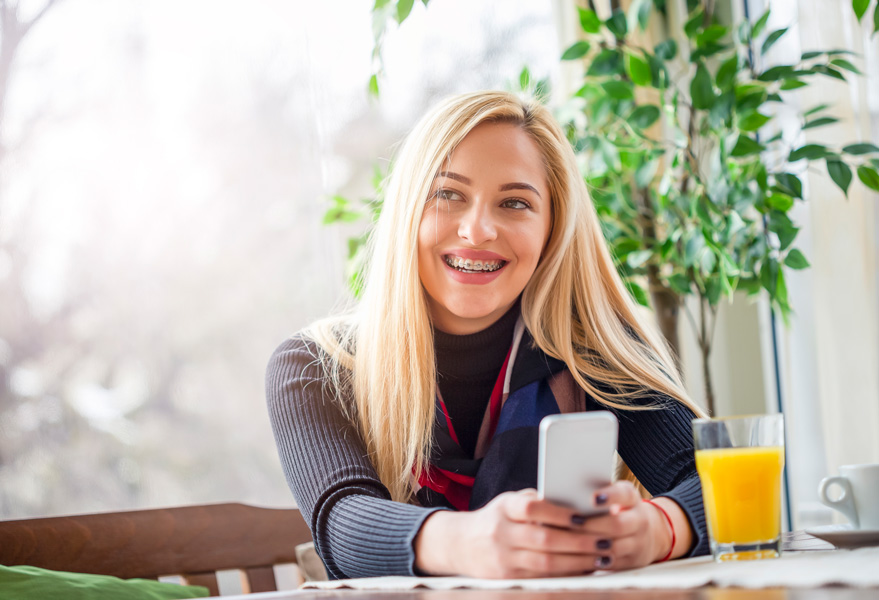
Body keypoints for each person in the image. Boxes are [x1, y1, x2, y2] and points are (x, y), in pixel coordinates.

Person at [266, 90, 709, 580]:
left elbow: (716, 479)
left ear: (551, 229)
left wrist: (656, 529)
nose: (477, 231)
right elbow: (343, 526)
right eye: (448, 194)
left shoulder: (589, 350)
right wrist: (471, 542)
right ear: (407, 212)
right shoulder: (314, 365)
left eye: (515, 202)